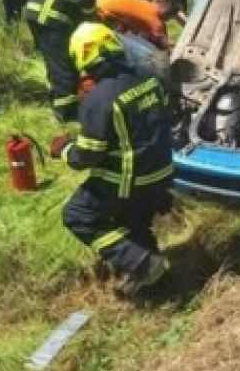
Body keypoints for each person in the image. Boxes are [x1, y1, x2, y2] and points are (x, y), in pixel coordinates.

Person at [50, 22, 173, 298]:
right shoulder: (147, 79)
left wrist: (65, 149)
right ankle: (157, 284)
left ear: (83, 59)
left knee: (78, 215)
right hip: (162, 171)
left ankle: (142, 263)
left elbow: (85, 157)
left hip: (131, 181)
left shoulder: (100, 99)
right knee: (134, 222)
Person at [25, 0, 121, 122]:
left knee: (55, 63)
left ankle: (58, 102)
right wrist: (91, 19)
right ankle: (66, 114)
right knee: (64, 67)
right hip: (52, 18)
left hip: (36, 15)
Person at [96, 0, 183, 50]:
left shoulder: (144, 4)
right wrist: (171, 47)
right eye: (169, 18)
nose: (166, 21)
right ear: (167, 14)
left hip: (97, 1)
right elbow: (162, 44)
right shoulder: (155, 20)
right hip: (99, 13)